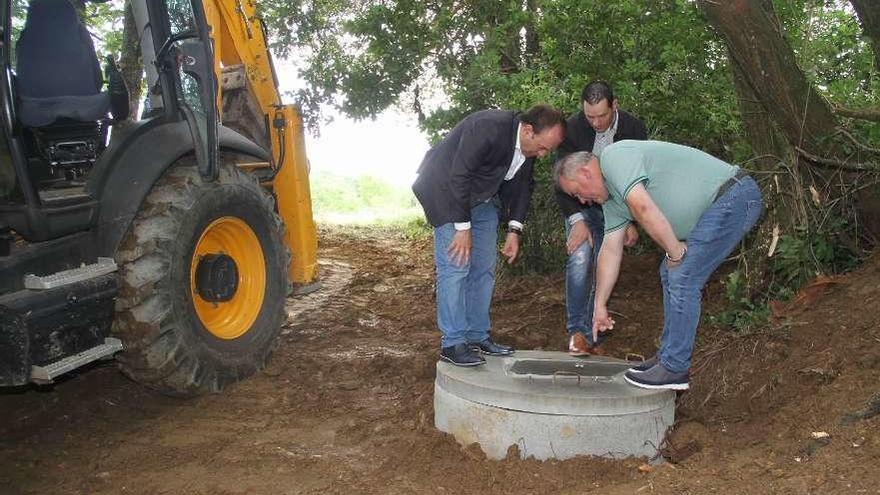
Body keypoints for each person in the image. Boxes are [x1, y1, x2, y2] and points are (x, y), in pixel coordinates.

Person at [554, 141, 763, 389]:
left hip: (733, 196)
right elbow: (609, 251)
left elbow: (643, 207)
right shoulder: (612, 202)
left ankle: (675, 368)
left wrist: (675, 252)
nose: (583, 201)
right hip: (722, 205)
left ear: (585, 172)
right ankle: (667, 357)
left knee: (682, 274)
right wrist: (599, 306)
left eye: (577, 192)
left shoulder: (613, 158)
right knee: (671, 272)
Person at [413, 105, 566, 367]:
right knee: (456, 267)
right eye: (542, 148)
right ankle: (452, 343)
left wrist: (514, 231)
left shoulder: (527, 148)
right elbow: (458, 175)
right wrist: (463, 228)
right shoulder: (487, 127)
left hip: (482, 197)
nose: (542, 155)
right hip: (446, 190)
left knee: (484, 267)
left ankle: (476, 336)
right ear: (528, 131)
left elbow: (523, 187)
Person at [554, 81, 647, 357]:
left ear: (614, 105)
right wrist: (576, 221)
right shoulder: (571, 129)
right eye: (589, 116)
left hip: (614, 205)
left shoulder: (634, 129)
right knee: (581, 256)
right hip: (580, 205)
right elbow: (561, 181)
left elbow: (635, 180)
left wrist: (630, 219)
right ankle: (578, 333)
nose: (594, 122)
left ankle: (595, 336)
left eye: (601, 116)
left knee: (604, 262)